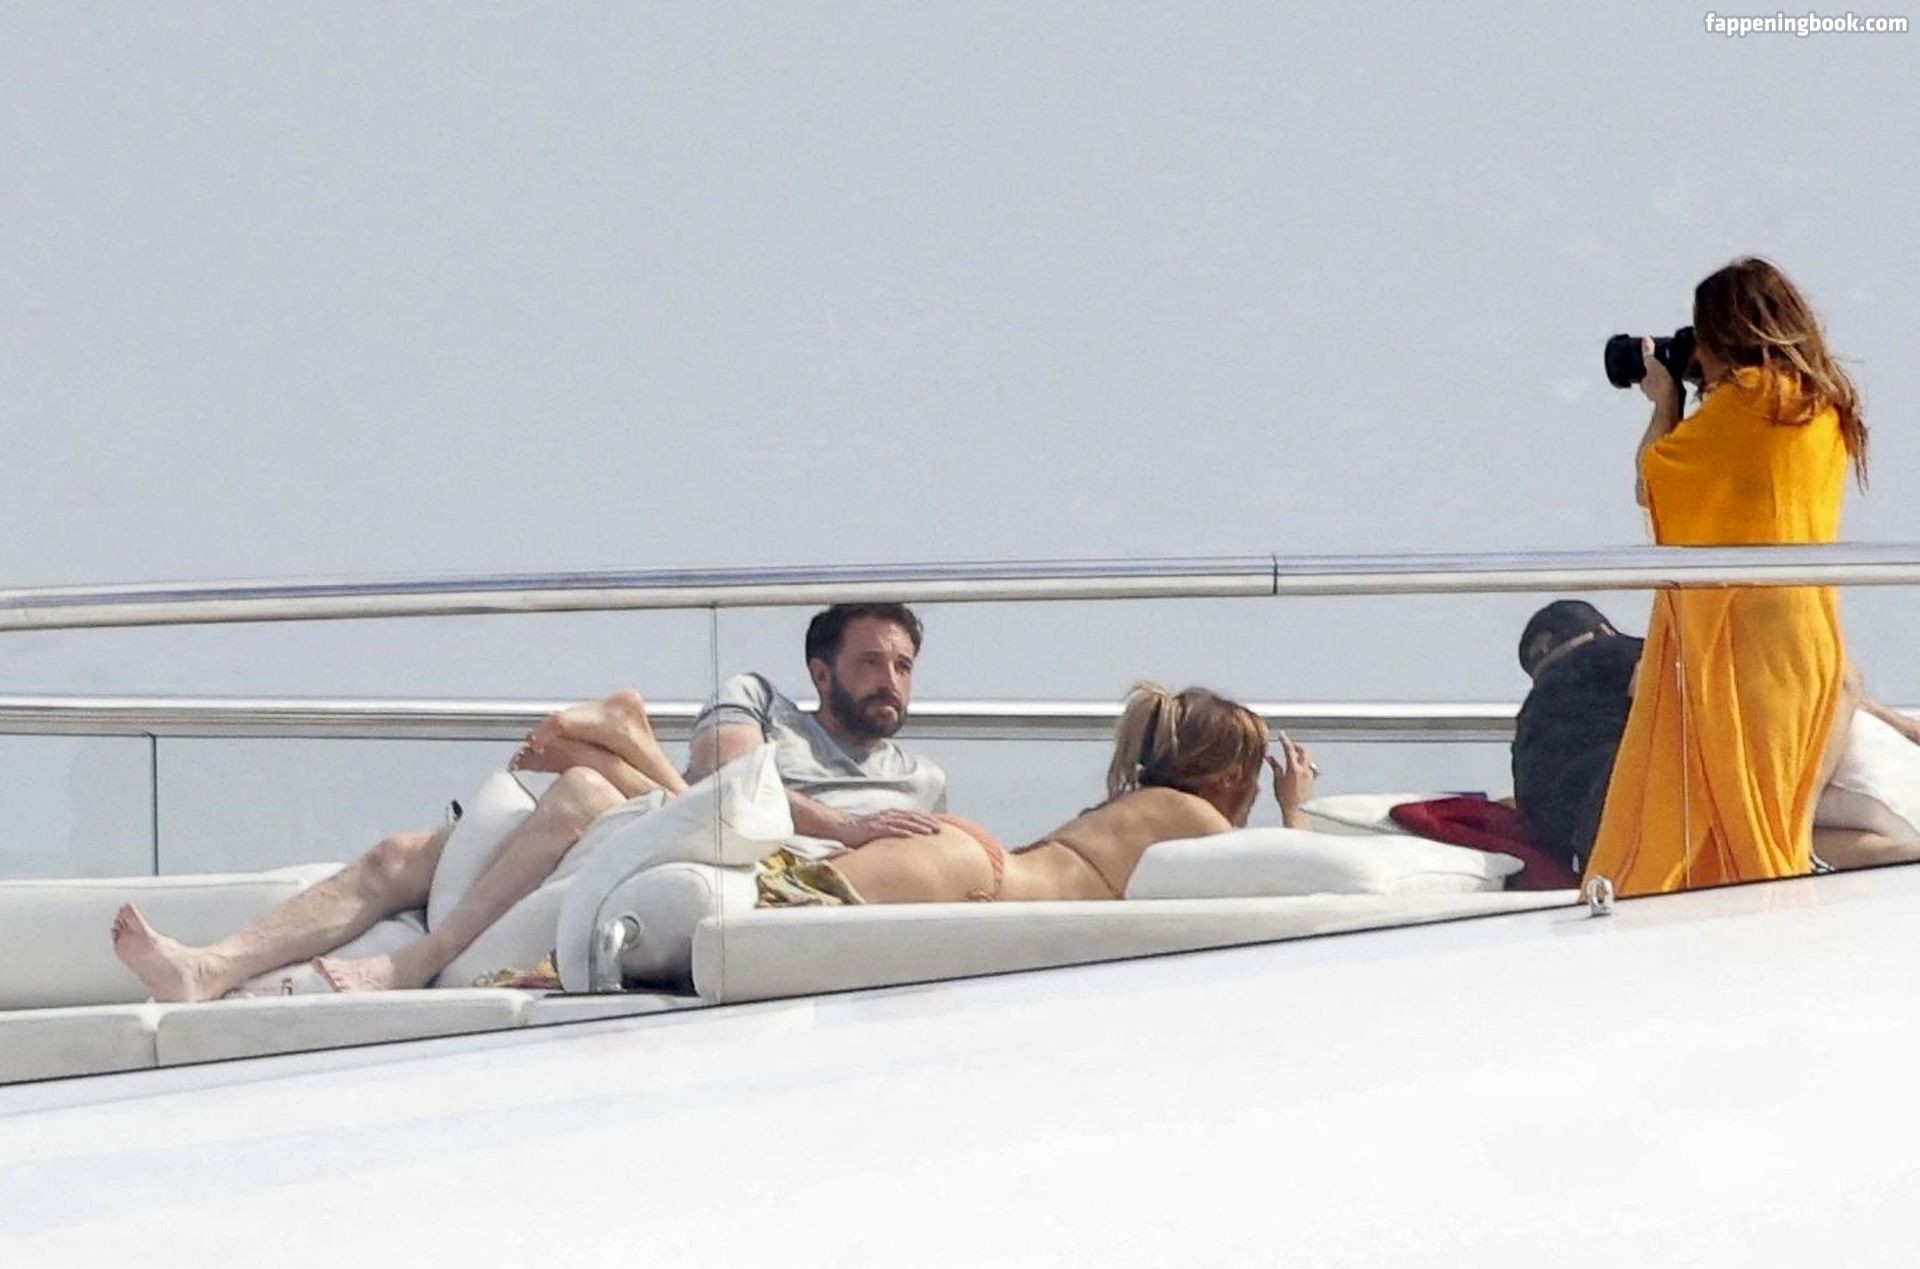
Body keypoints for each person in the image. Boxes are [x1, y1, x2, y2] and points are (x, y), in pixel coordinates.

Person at [109, 602, 948, 999]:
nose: (891, 680)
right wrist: (851, 822)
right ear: (821, 671)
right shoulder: (757, 698)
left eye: (903, 666)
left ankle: (616, 741)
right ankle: (208, 966)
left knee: (581, 782)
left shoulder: (924, 780)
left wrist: (852, 838)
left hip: (739, 859)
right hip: (677, 821)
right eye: (872, 661)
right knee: (399, 855)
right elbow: (728, 781)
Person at [1583, 258, 1870, 897]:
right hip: (1807, 643)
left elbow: (1654, 480)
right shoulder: (1822, 405)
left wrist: (1667, 401)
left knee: (1731, 819)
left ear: (1724, 332)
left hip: (1744, 645)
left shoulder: (1748, 401)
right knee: (1770, 822)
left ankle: (1750, 934)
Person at [758, 682, 1319, 907]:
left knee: (782, 905)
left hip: (971, 863)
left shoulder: (1134, 809)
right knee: (774, 919)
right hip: (975, 875)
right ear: (1230, 775)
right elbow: (1294, 884)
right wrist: (1294, 806)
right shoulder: (1192, 817)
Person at [1516, 599, 1920, 882]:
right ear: (1603, 630)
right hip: (1652, 804)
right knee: (1840, 671)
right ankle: (1805, 824)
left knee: (1791, 846)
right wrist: (1901, 725)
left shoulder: (1526, 742)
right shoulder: (1608, 652)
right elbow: (1655, 679)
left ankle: (1882, 854)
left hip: (1607, 854)